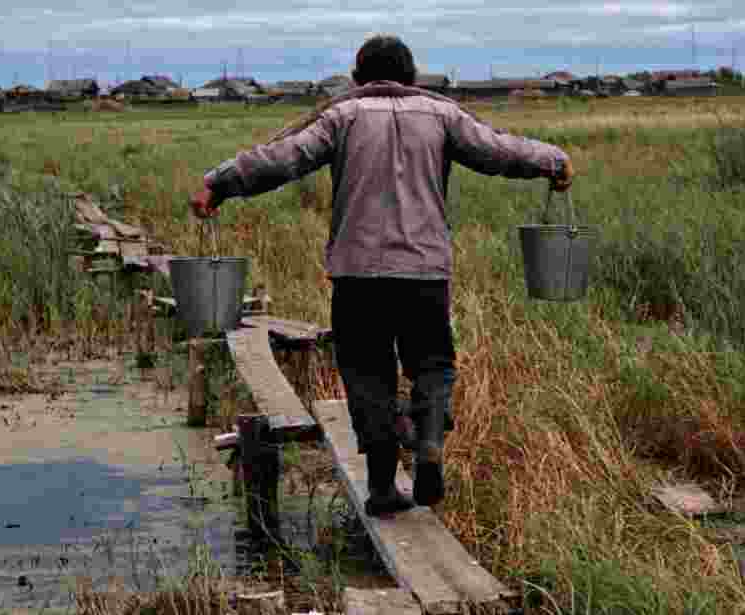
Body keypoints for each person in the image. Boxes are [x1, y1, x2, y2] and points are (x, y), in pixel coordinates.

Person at [190, 35, 574, 517]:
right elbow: (498, 151)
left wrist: (218, 183)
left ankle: (382, 489)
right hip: (424, 271)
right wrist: (553, 160)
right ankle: (430, 440)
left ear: (357, 79)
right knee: (432, 364)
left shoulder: (340, 116)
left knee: (368, 374)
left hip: (358, 275)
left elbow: (283, 158)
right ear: (411, 77)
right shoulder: (442, 115)